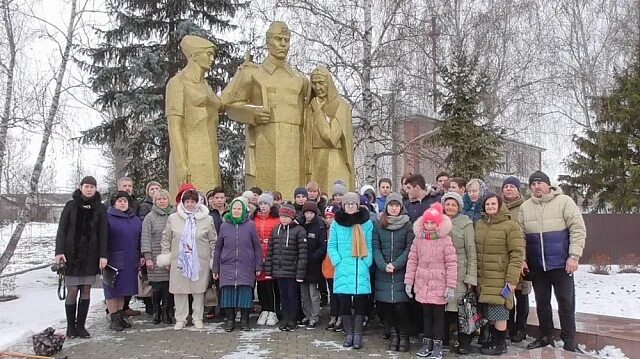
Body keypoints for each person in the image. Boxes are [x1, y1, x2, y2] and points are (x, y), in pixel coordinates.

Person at [221, 21, 309, 198]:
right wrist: (252, 114)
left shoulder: (300, 79)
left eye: (286, 39)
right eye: (278, 39)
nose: (283, 44)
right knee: (264, 193)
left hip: (295, 145)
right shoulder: (253, 72)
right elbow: (227, 105)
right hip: (264, 139)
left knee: (293, 192)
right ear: (268, 42)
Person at [518, 171, 586, 353]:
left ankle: (569, 340)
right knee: (542, 303)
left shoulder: (564, 202)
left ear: (548, 184)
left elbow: (578, 229)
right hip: (537, 266)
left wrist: (574, 256)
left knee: (566, 303)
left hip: (561, 264)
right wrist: (523, 259)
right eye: (532, 184)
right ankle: (546, 336)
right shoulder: (525, 207)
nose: (536, 186)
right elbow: (520, 236)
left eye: (539, 183)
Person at [166, 35, 222, 199]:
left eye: (213, 55)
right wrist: (181, 164)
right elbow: (174, 126)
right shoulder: (178, 83)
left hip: (210, 154)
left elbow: (222, 103)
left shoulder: (206, 86)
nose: (212, 59)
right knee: (189, 202)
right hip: (190, 153)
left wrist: (242, 73)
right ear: (194, 55)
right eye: (208, 54)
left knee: (211, 203)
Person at [55, 176, 108, 339]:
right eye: (87, 186)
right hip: (72, 255)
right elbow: (62, 229)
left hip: (91, 256)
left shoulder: (100, 208)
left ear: (96, 189)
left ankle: (81, 326)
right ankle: (71, 327)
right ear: (81, 187)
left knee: (86, 290)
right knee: (72, 291)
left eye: (92, 186)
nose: (89, 189)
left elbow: (103, 232)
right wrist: (59, 251)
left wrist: (103, 255)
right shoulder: (71, 205)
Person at [159, 189, 218, 331]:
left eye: (193, 202)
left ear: (197, 203)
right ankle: (181, 318)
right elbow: (166, 239)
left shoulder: (207, 219)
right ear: (183, 203)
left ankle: (198, 317)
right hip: (179, 260)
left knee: (198, 291)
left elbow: (213, 241)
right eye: (187, 202)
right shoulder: (173, 218)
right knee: (180, 290)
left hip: (199, 261)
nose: (190, 204)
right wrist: (166, 257)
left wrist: (212, 259)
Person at [405, 203, 457, 359]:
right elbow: (412, 260)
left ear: (438, 224)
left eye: (432, 223)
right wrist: (409, 281)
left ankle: (438, 344)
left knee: (439, 317)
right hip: (423, 284)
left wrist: (450, 286)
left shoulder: (445, 240)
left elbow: (451, 264)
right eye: (426, 223)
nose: (429, 226)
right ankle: (427, 342)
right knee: (426, 315)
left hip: (439, 285)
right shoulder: (418, 240)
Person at [475, 193, 525, 355]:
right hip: (483, 276)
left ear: (499, 206)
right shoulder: (479, 224)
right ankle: (491, 339)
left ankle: (500, 342)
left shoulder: (510, 226)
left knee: (500, 310)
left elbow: (516, 254)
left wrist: (512, 279)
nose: (490, 207)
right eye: (487, 204)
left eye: (493, 204)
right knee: (488, 309)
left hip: (500, 276)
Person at [327, 192, 374, 350]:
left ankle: (358, 334)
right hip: (342, 267)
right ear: (343, 206)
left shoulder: (366, 223)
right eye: (348, 204)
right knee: (344, 302)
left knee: (361, 302)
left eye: (353, 204)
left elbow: (369, 244)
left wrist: (366, 262)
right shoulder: (336, 223)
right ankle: (348, 333)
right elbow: (331, 246)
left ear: (357, 205)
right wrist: (337, 262)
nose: (350, 206)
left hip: (360, 265)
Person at [212, 197, 263, 332]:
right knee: (228, 294)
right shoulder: (224, 226)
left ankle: (245, 321)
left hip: (246, 265)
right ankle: (230, 320)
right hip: (227, 266)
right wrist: (215, 267)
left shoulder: (250, 225)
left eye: (239, 209)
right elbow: (218, 248)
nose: (236, 211)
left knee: (245, 293)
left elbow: (257, 246)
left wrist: (258, 265)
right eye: (234, 208)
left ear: (243, 211)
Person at [372, 193, 414, 353]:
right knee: (387, 308)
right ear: (386, 207)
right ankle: (394, 336)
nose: (394, 208)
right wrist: (383, 265)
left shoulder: (407, 225)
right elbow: (375, 246)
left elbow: (409, 248)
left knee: (401, 307)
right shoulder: (379, 224)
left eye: (397, 205)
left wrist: (396, 264)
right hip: (384, 272)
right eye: (391, 205)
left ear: (401, 207)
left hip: (400, 271)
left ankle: (404, 337)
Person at [306, 66, 356, 192]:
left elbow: (331, 138)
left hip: (333, 158)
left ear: (329, 82)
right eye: (314, 84)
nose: (317, 88)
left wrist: (317, 111)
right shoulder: (310, 105)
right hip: (314, 159)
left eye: (321, 83)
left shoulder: (341, 105)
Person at [441, 192, 477, 354]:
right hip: (441, 270)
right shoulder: (437, 221)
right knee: (445, 307)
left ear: (459, 207)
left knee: (461, 308)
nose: (450, 207)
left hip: (460, 270)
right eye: (447, 204)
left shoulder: (466, 224)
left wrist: (470, 276)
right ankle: (446, 338)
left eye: (453, 204)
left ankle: (464, 341)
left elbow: (471, 251)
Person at [264, 203, 308, 332]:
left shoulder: (299, 231)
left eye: (286, 216)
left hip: (292, 271)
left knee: (292, 296)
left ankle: (293, 319)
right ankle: (285, 318)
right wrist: (269, 270)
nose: (283, 219)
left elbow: (303, 254)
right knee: (283, 296)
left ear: (292, 217)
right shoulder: (276, 230)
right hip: (279, 270)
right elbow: (270, 251)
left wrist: (300, 273)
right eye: (281, 216)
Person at [104, 191, 143, 332]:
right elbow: (102, 239)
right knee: (112, 289)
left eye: (125, 201)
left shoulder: (134, 218)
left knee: (124, 290)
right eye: (119, 201)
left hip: (131, 257)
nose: (122, 203)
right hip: (112, 258)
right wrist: (103, 256)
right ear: (114, 203)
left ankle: (120, 316)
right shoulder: (107, 217)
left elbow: (139, 238)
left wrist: (141, 255)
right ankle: (113, 317)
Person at [501, 176, 531, 343]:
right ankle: (509, 327)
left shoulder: (525, 207)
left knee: (522, 293)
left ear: (518, 189)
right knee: (507, 293)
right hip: (505, 258)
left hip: (522, 256)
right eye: (506, 186)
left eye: (512, 186)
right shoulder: (499, 207)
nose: (509, 189)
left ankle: (521, 328)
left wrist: (524, 258)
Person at [140, 189, 173, 325]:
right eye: (159, 199)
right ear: (155, 201)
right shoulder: (150, 217)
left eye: (164, 199)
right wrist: (147, 257)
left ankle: (166, 312)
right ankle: (156, 311)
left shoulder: (174, 215)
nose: (162, 201)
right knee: (156, 287)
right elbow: (145, 238)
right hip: (155, 255)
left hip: (171, 256)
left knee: (168, 287)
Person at [253, 193, 281, 326]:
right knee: (261, 284)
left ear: (270, 205)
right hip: (258, 255)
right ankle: (264, 309)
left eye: (265, 204)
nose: (263, 207)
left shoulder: (276, 220)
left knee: (271, 284)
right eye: (260, 204)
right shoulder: (254, 219)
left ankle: (273, 311)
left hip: (272, 255)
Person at [300, 201, 327, 329]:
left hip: (314, 265)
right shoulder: (300, 224)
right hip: (302, 264)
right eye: (307, 213)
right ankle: (307, 314)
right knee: (304, 293)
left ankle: (314, 316)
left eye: (311, 213)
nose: (309, 215)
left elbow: (323, 246)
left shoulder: (320, 226)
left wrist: (313, 257)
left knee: (313, 293)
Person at [322, 205, 342, 331]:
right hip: (328, 266)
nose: (329, 220)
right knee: (332, 293)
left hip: (338, 266)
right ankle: (333, 315)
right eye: (327, 217)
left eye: (331, 217)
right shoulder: (324, 230)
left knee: (339, 293)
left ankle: (340, 316)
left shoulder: (339, 230)